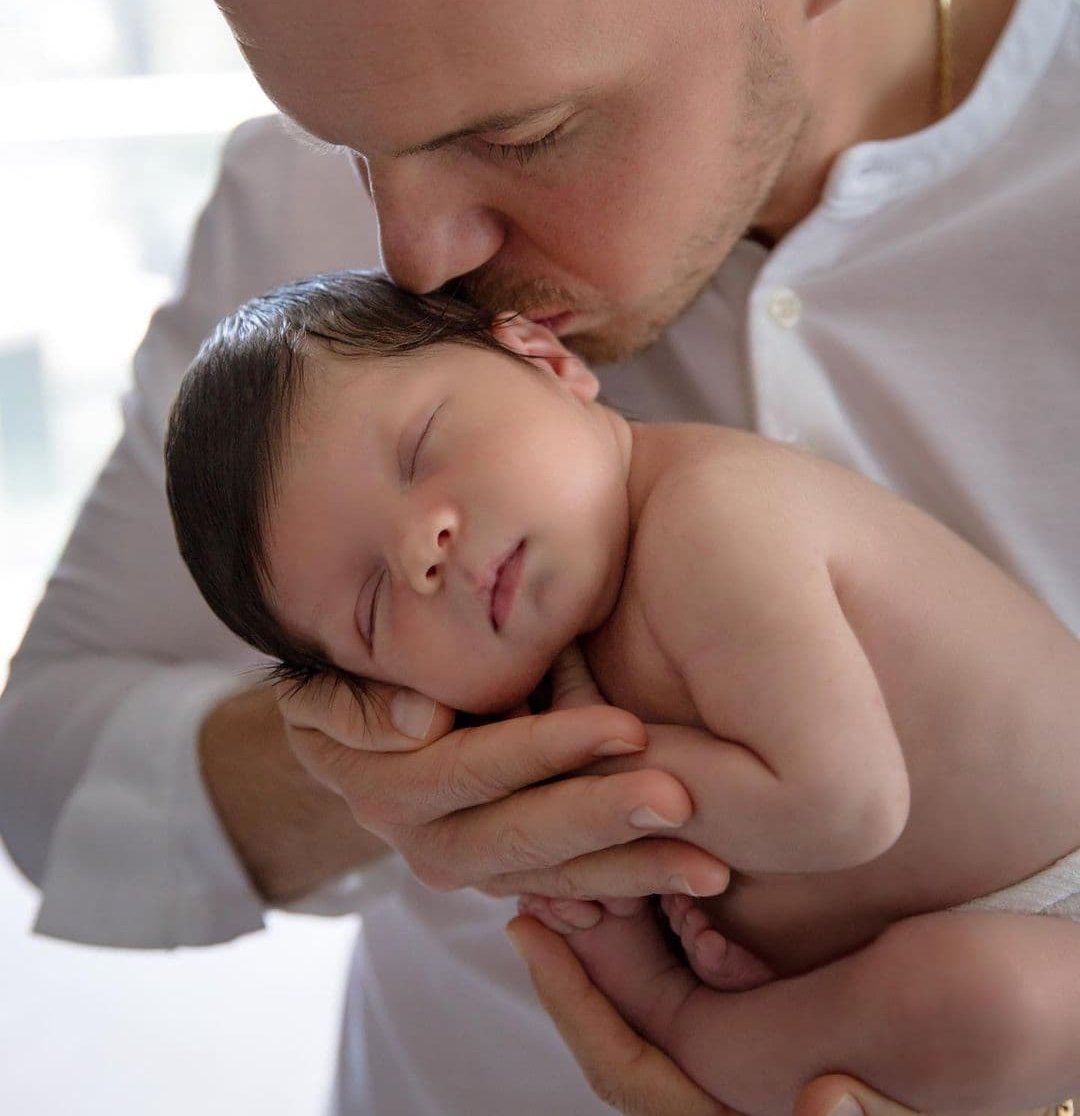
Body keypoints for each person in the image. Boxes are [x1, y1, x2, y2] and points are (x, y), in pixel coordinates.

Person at [0, 0, 1077, 1111]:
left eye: (521, 133)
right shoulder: (299, 245)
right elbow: (46, 769)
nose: (413, 255)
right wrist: (378, 758)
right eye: (343, 145)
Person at [163, 266, 1080, 1112]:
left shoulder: (712, 516)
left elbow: (845, 805)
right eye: (371, 608)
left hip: (1055, 883)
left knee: (985, 1005)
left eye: (422, 448)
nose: (420, 550)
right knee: (977, 1002)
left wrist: (590, 775)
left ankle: (685, 1032)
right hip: (947, 951)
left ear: (548, 361)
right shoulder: (565, 648)